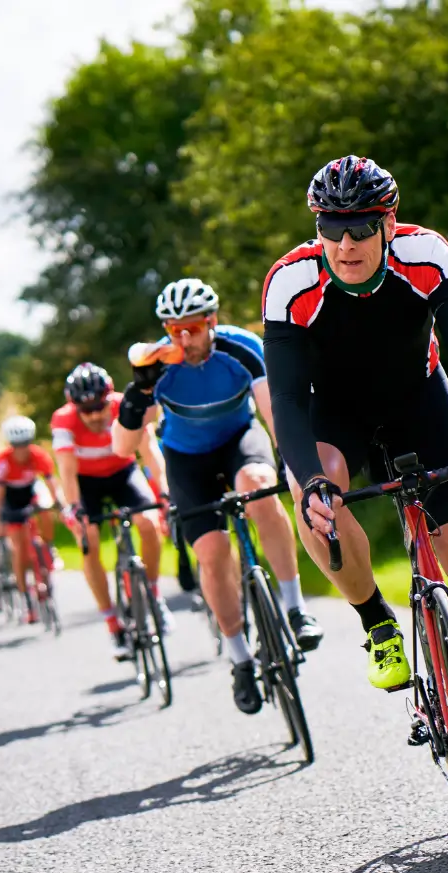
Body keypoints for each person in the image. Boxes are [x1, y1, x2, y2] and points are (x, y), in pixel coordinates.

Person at [261, 154, 448, 801]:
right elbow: (285, 400)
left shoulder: (427, 256)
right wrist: (310, 484)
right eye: (331, 228)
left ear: (388, 223)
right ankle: (376, 622)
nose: (345, 243)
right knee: (320, 503)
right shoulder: (290, 281)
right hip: (334, 413)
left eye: (361, 228)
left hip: (421, 399)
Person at [113, 278, 323, 715]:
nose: (183, 339)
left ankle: (295, 607)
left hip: (238, 440)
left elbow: (272, 408)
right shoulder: (160, 363)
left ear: (211, 321)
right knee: (211, 550)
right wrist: (138, 395)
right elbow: (122, 445)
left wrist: (291, 461)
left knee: (258, 484)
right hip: (186, 457)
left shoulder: (240, 347)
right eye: (174, 330)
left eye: (192, 327)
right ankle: (240, 659)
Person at [51, 362, 171, 654]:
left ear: (109, 399)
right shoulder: (63, 421)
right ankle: (111, 622)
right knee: (88, 538)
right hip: (85, 481)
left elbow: (150, 453)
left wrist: (165, 492)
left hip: (123, 473)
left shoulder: (125, 405)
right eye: (85, 410)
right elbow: (66, 470)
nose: (93, 415)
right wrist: (75, 508)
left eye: (99, 407)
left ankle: (152, 594)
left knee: (149, 523)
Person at [0, 416, 67, 624]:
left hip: (31, 491)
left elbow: (50, 482)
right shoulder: (2, 462)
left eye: (25, 444)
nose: (21, 450)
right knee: (20, 550)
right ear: (10, 444)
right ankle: (26, 599)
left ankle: (48, 546)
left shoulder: (38, 456)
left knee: (45, 509)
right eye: (17, 445)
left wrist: (59, 503)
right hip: (11, 499)